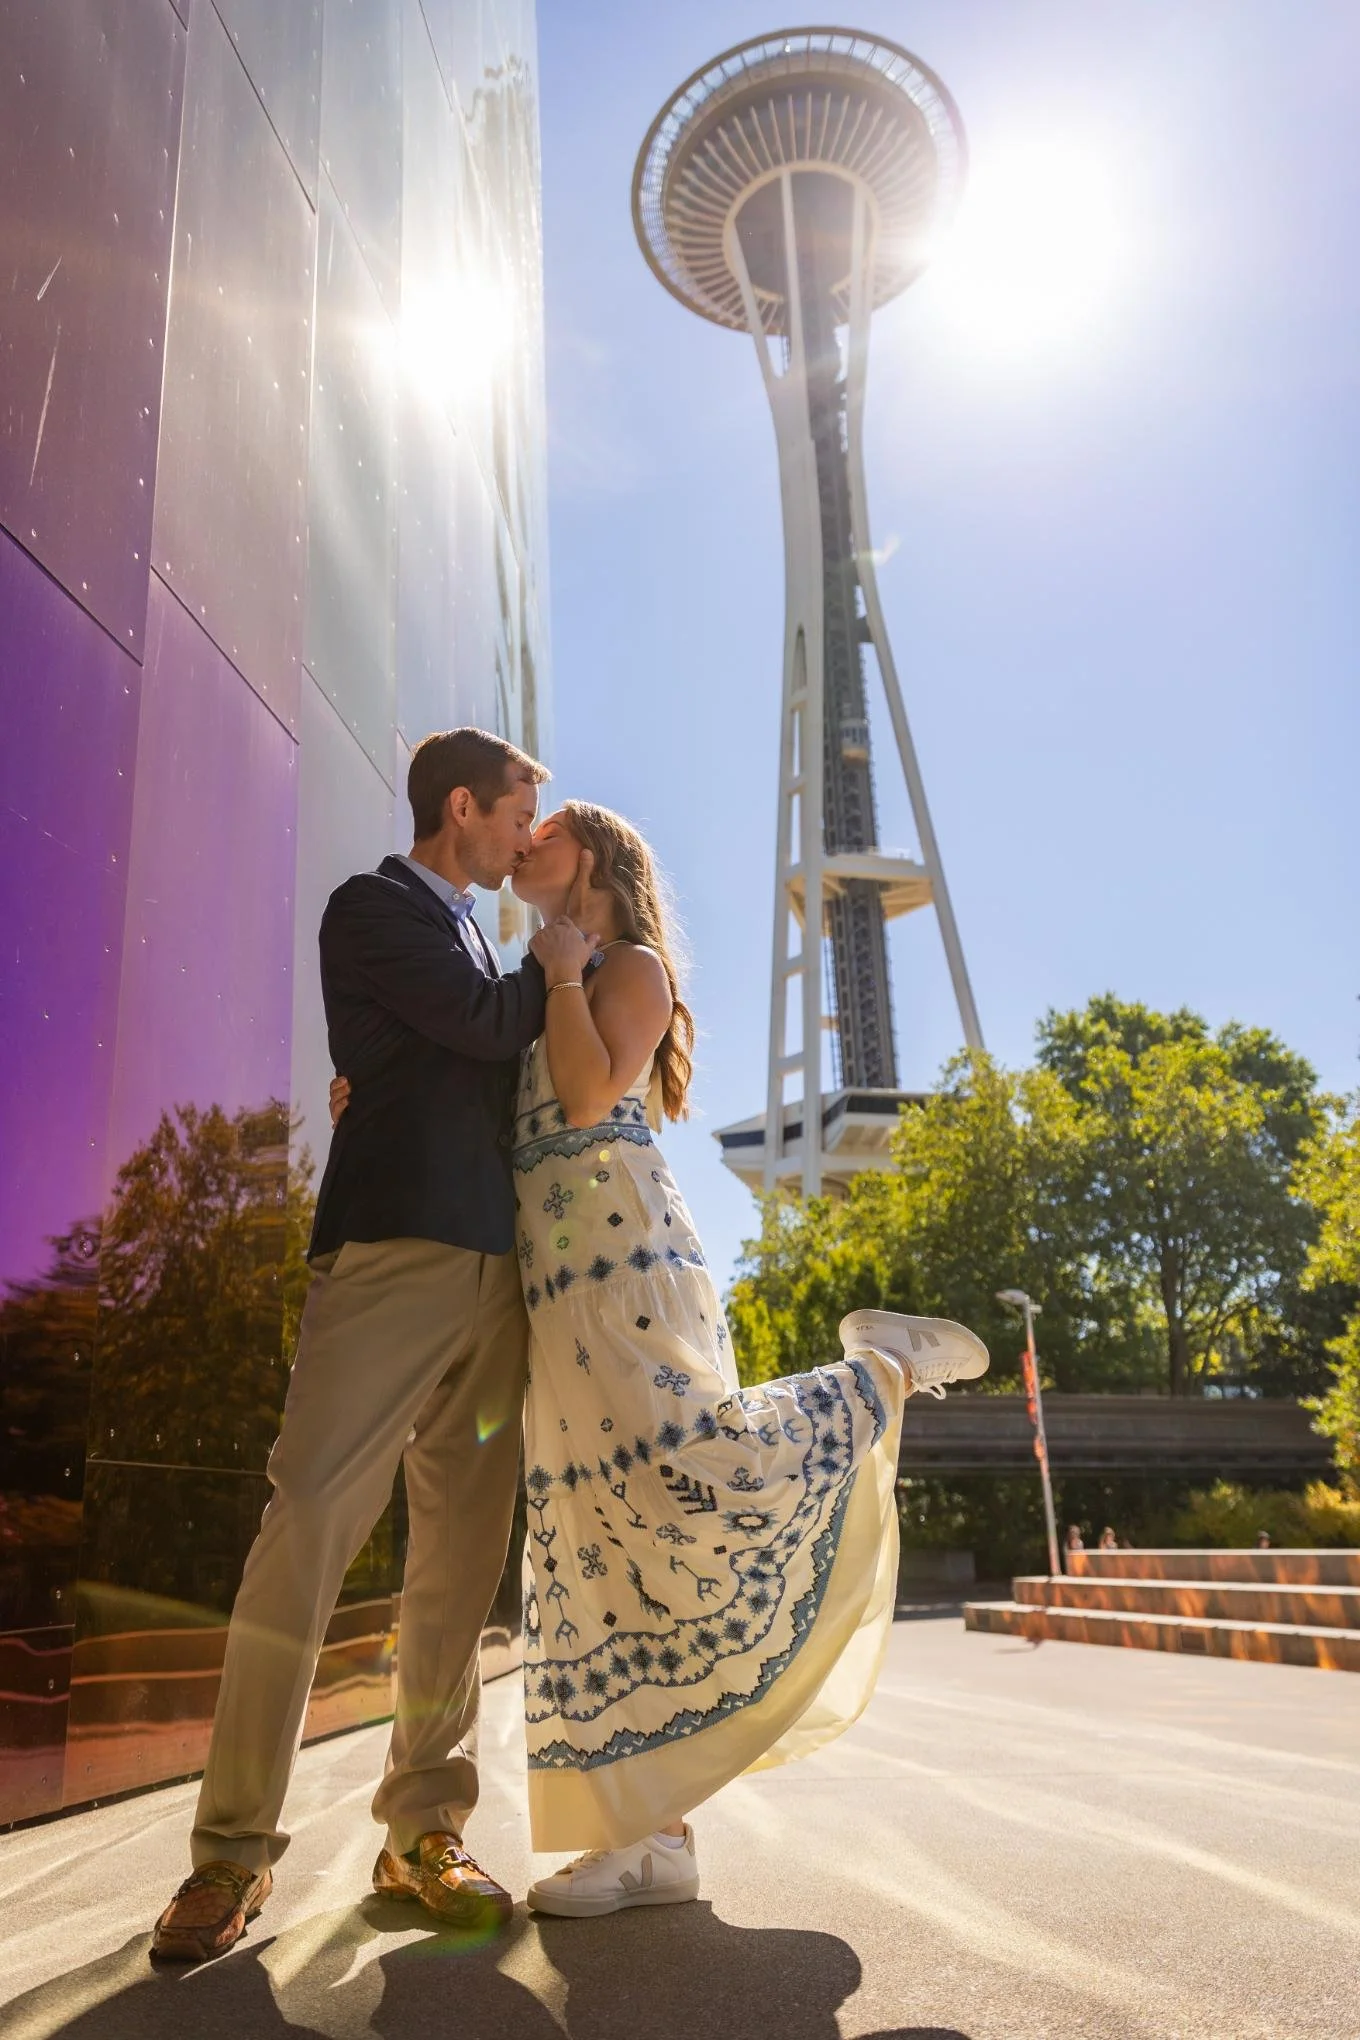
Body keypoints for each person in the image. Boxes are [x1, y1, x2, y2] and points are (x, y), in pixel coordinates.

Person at [330, 800, 989, 1920]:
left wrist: (564, 973)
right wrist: (373, 1099)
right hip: (548, 1289)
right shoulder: (544, 980)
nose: (521, 846)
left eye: (544, 836)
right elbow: (492, 1114)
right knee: (596, 1548)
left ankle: (876, 1371)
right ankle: (649, 1839)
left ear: (586, 859)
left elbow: (589, 1097)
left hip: (625, 1263)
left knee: (696, 1473)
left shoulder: (626, 968)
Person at [151, 729, 556, 1963]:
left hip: (497, 1276)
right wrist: (570, 949)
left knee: (456, 1563)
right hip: (388, 1257)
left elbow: (487, 1062)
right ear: (460, 808)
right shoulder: (373, 907)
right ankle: (229, 1858)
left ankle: (421, 1832)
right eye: (515, 819)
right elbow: (490, 1030)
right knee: (311, 1524)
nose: (526, 841)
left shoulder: (478, 935)